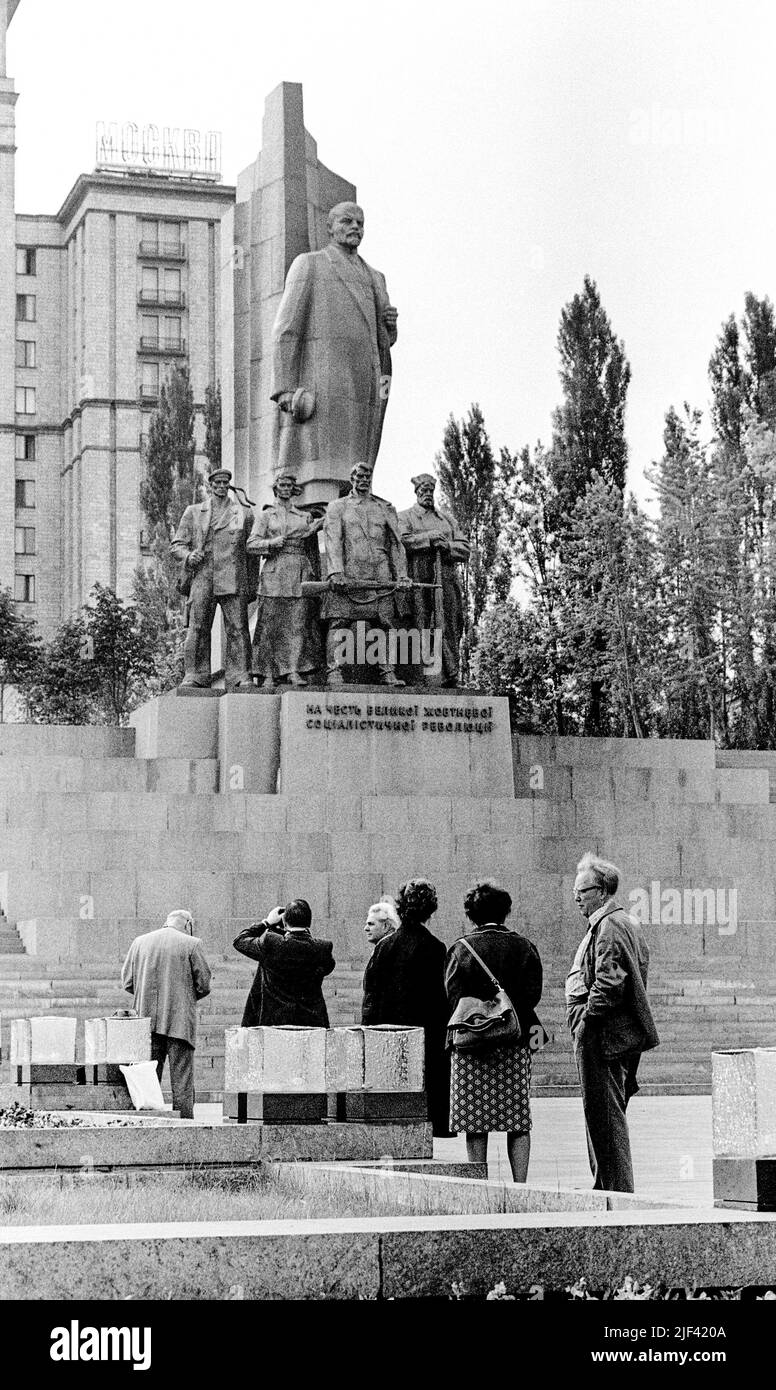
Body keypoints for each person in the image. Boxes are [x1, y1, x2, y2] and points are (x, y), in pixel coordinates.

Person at [270, 201, 398, 505]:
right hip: (324, 382)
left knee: (357, 464)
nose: (355, 227)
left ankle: (354, 503)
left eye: (360, 223)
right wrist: (286, 390)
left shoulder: (376, 277)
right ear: (330, 228)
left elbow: (381, 340)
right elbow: (286, 329)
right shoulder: (310, 263)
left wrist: (389, 328)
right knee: (324, 469)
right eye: (346, 221)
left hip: (364, 382)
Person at [566, 852, 660, 1193]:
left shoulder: (610, 926)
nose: (577, 896)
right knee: (603, 1117)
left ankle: (616, 1194)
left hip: (602, 1037)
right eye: (576, 890)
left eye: (584, 890)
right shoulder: (618, 924)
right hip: (610, 1034)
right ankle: (606, 1187)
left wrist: (586, 1019)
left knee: (605, 1119)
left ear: (603, 891)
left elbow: (611, 981)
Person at [444, 881, 543, 1182]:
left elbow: (451, 995)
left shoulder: (460, 948)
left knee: (475, 1119)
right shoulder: (524, 946)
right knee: (517, 1118)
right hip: (513, 1040)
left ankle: (479, 1181)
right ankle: (521, 1184)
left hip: (472, 1044)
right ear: (505, 911)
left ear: (471, 914)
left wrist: (478, 1016)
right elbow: (532, 994)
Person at [361, 878, 451, 1138]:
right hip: (425, 1035)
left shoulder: (385, 946)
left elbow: (371, 995)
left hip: (390, 1035)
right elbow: (438, 1000)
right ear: (431, 910)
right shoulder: (435, 948)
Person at [322, 461, 413, 687]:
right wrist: (335, 571)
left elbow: (396, 544)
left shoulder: (385, 508)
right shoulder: (337, 507)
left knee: (386, 625)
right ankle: (334, 672)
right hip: (350, 575)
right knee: (339, 623)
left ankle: (388, 672)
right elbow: (334, 541)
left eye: (367, 477)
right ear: (352, 479)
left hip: (381, 576)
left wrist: (401, 574)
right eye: (359, 476)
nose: (363, 480)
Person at [170, 464, 255, 691]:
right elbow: (176, 546)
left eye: (225, 483)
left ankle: (240, 674)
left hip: (232, 576)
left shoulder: (243, 513)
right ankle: (195, 674)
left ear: (229, 485)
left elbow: (251, 551)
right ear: (210, 486)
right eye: (217, 483)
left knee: (238, 627)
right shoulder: (194, 512)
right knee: (197, 627)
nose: (221, 487)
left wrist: (250, 584)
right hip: (203, 575)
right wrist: (189, 555)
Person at [121, 909, 211, 1120]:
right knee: (182, 1082)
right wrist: (183, 997)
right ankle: (184, 1127)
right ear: (188, 924)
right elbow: (204, 984)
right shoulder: (192, 944)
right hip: (180, 1022)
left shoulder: (140, 942)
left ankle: (148, 1125)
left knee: (148, 1081)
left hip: (146, 1023)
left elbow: (127, 982)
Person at [247, 473, 323, 688]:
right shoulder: (266, 515)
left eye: (290, 485)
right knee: (270, 625)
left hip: (299, 569)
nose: (286, 488)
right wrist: (270, 544)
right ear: (276, 488)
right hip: (275, 569)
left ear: (294, 489)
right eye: (282, 485)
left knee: (297, 624)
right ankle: (267, 672)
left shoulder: (303, 516)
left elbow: (312, 545)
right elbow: (251, 544)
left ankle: (293, 669)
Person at [398, 473, 470, 687]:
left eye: (430, 491)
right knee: (420, 624)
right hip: (419, 577)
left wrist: (447, 546)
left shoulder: (447, 519)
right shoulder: (406, 516)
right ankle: (420, 675)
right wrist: (428, 539)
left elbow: (465, 548)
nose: (427, 494)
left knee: (450, 623)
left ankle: (451, 673)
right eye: (423, 491)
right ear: (417, 493)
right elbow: (401, 541)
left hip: (446, 577)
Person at [233, 899, 335, 1027]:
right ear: (309, 922)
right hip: (311, 1022)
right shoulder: (323, 948)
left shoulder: (271, 943)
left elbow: (240, 940)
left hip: (275, 1022)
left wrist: (267, 922)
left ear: (285, 922)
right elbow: (328, 966)